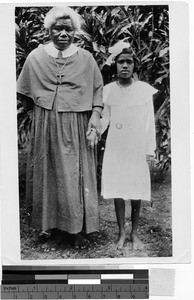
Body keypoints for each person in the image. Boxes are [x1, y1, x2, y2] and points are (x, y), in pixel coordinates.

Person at [17, 6, 103, 249]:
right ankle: (54, 230)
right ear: (49, 30)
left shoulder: (86, 58)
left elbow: (97, 91)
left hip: (76, 124)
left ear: (75, 31)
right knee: (50, 173)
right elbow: (25, 93)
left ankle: (74, 230)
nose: (63, 33)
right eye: (58, 28)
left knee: (74, 175)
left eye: (68, 28)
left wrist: (95, 116)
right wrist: (44, 110)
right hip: (46, 125)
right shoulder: (36, 57)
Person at [101, 41, 157, 250]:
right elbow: (105, 118)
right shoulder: (107, 91)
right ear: (115, 65)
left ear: (134, 66)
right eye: (121, 62)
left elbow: (149, 123)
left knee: (136, 189)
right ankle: (121, 234)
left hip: (136, 146)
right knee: (118, 188)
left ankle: (134, 233)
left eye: (129, 62)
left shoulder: (143, 90)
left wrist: (149, 150)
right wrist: (95, 129)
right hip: (116, 146)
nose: (125, 66)